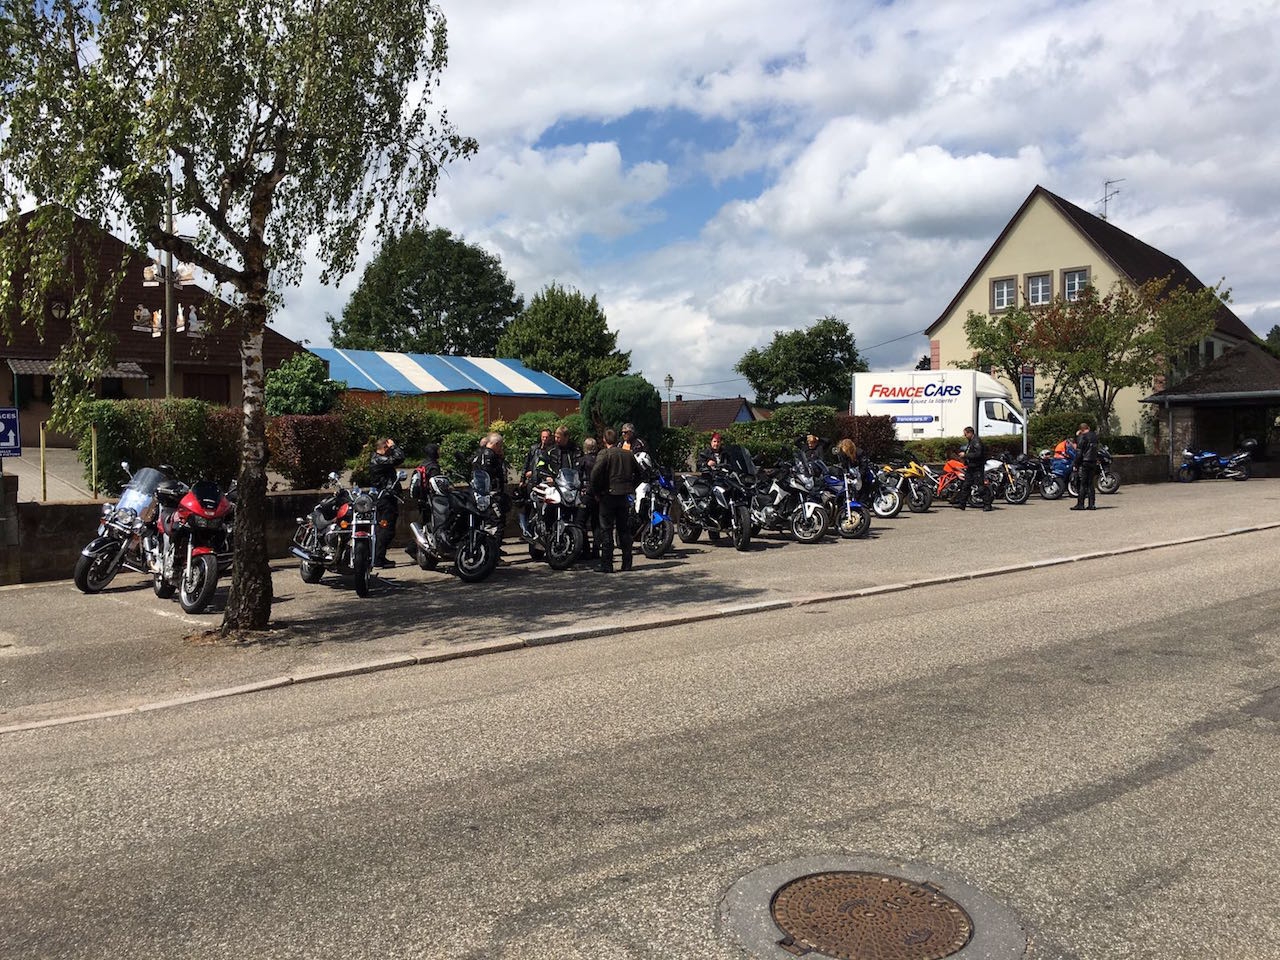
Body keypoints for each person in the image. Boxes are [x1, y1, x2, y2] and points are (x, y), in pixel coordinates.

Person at [590, 428, 638, 573]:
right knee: (624, 530)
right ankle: (627, 563)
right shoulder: (628, 454)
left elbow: (595, 475)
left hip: (608, 496)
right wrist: (630, 486)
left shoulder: (604, 454)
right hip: (623, 496)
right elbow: (641, 474)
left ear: (604, 440)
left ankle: (607, 564)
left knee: (607, 530)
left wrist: (597, 492)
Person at [369, 437, 405, 566]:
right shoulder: (379, 459)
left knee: (383, 529)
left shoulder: (377, 459)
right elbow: (399, 458)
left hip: (383, 497)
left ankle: (377, 556)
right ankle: (378, 558)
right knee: (386, 529)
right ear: (385, 448)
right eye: (388, 448)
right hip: (385, 499)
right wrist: (394, 446)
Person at [474, 432, 510, 538]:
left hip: (479, 494)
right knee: (497, 523)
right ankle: (494, 551)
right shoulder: (490, 456)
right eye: (500, 446)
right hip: (491, 495)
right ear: (496, 444)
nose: (501, 448)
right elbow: (491, 474)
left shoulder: (478, 454)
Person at [952, 427, 992, 512]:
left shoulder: (976, 441)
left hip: (977, 467)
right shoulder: (971, 441)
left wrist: (965, 455)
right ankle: (962, 504)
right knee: (966, 485)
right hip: (971, 467)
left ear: (970, 433)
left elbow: (978, 454)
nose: (965, 435)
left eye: (965, 434)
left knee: (980, 487)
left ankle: (987, 504)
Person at [579, 437, 601, 559]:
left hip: (586, 494)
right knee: (596, 524)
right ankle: (596, 550)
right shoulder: (599, 459)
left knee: (580, 522)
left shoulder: (582, 460)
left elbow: (578, 477)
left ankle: (585, 549)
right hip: (598, 495)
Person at [1071, 421, 1098, 511]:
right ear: (1088, 428)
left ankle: (1080, 504)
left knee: (1083, 484)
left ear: (1081, 430)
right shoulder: (1094, 436)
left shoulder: (1083, 437)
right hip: (1093, 461)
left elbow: (1079, 451)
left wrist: (1076, 464)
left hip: (1085, 462)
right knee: (1091, 484)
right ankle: (1091, 504)